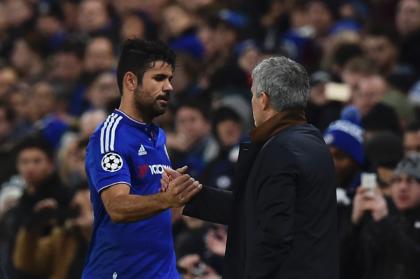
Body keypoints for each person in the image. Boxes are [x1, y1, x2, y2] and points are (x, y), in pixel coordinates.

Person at [164, 56, 339, 279]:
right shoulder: (313, 141)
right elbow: (257, 210)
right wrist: (191, 195)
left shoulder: (280, 149)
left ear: (263, 99)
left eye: (252, 95)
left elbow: (273, 235)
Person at [82, 39, 202, 278]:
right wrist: (166, 199)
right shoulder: (111, 136)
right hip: (120, 272)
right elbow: (116, 207)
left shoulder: (157, 135)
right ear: (131, 81)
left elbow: (158, 203)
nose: (168, 87)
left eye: (170, 79)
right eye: (159, 78)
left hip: (162, 271)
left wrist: (175, 194)